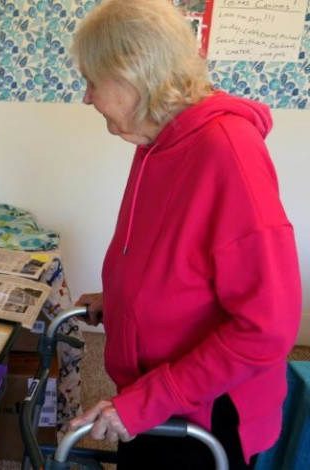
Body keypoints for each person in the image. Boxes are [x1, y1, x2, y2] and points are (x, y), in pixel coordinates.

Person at [66, 0, 302, 468]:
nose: (87, 97)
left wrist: (146, 402)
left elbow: (266, 328)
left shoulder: (226, 153)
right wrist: (122, 303)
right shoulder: (157, 139)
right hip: (151, 394)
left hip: (204, 412)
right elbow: (176, 264)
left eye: (93, 81)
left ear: (134, 74)